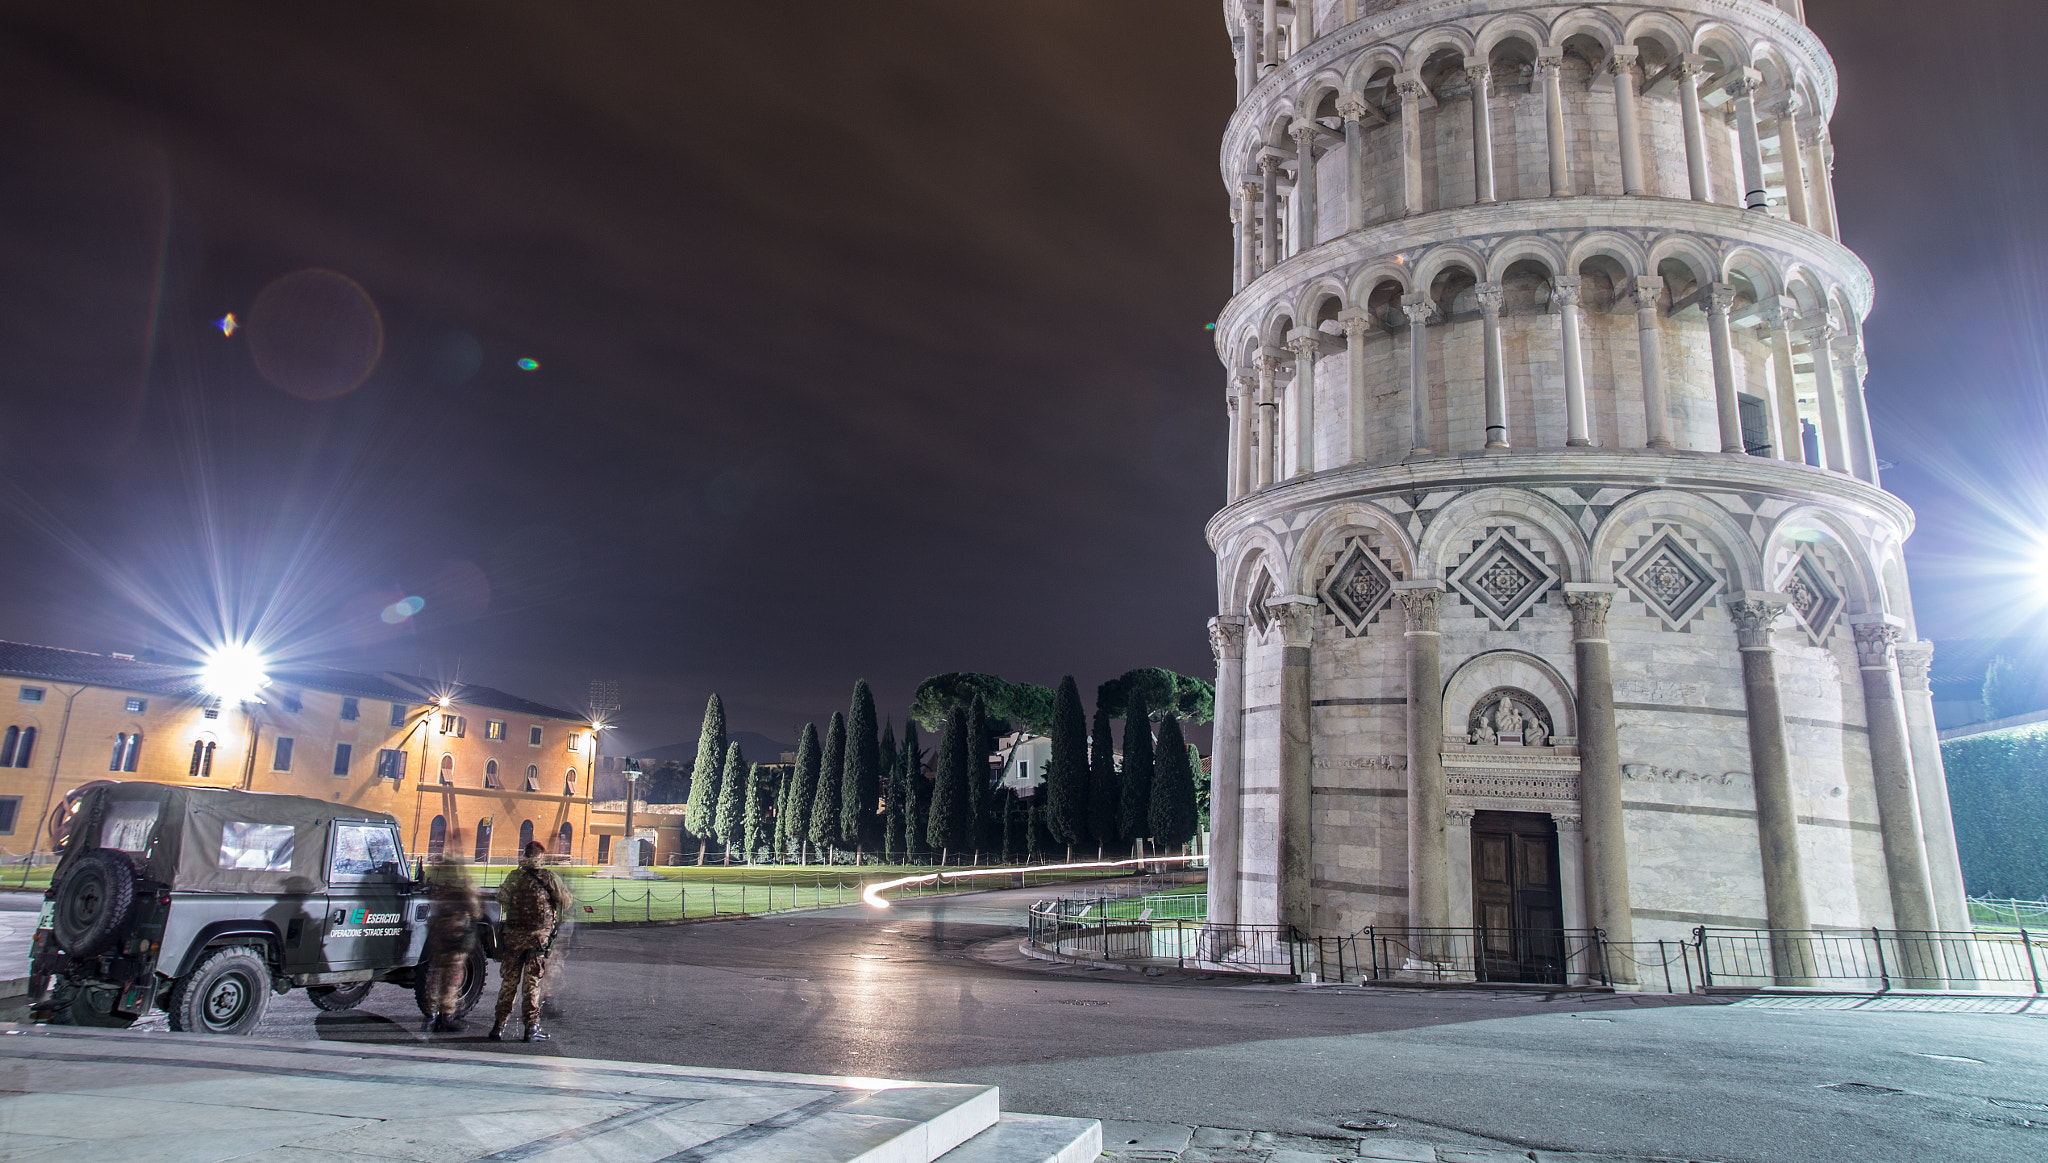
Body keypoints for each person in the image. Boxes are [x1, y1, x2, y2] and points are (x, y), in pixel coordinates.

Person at [490, 840, 569, 1042]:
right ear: (541, 857)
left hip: (514, 938)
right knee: (532, 984)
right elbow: (565, 901)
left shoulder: (514, 877)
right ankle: (531, 1027)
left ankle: (499, 1026)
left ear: (524, 855)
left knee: (509, 983)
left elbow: (501, 899)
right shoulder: (548, 877)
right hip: (537, 940)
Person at [422, 857, 482, 1033]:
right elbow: (474, 907)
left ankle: (431, 1015)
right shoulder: (462, 882)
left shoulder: (437, 878)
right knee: (453, 975)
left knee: (435, 973)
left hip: (439, 930)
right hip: (457, 931)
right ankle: (446, 1016)